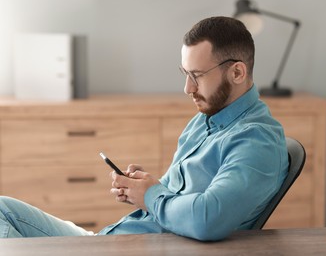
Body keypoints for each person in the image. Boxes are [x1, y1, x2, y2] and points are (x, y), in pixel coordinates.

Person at [0, 16, 288, 241]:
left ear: (237, 72)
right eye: (185, 74)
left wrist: (151, 196)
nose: (187, 88)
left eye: (197, 76)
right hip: (112, 239)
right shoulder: (204, 120)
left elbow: (207, 218)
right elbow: (178, 199)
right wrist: (143, 190)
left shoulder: (256, 141)